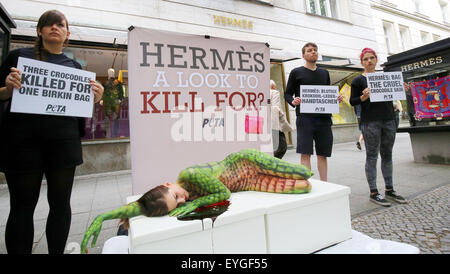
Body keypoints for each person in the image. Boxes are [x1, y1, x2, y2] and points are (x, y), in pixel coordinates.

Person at [0, 10, 104, 254]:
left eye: (60, 25)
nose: (54, 27)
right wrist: (7, 89)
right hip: (23, 143)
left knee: (60, 205)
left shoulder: (75, 67)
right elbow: (1, 93)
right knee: (22, 206)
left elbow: (78, 106)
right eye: (49, 24)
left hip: (63, 143)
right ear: (39, 30)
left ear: (67, 34)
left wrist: (95, 99)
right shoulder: (18, 57)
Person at [81, 148, 314, 253]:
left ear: (167, 183)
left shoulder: (189, 175)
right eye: (179, 204)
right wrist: (102, 216)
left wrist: (194, 204)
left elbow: (223, 193)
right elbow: (139, 206)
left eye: (176, 196)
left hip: (245, 163)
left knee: (302, 173)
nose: (182, 201)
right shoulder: (174, 194)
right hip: (245, 184)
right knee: (302, 189)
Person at [349, 48, 406, 207]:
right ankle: (374, 192)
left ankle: (390, 189)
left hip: (388, 120)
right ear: (362, 62)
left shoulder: (385, 77)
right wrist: (363, 96)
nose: (369, 61)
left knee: (387, 155)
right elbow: (352, 101)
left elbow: (394, 94)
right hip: (370, 122)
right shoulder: (358, 80)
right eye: (366, 59)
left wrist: (401, 89)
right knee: (372, 156)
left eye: (372, 58)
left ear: (376, 59)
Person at [284, 42, 343, 181]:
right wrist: (293, 101)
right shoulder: (296, 72)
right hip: (305, 119)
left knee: (323, 154)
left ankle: (325, 183)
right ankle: (306, 183)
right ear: (303, 55)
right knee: (305, 153)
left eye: (315, 50)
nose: (313, 52)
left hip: (323, 119)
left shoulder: (324, 73)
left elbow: (327, 93)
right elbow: (287, 94)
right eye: (309, 50)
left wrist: (336, 98)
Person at [270, 80, 294, 159]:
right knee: (282, 147)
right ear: (273, 86)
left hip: (260, 126)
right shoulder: (274, 92)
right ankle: (271, 166)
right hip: (274, 125)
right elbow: (276, 109)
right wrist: (283, 122)